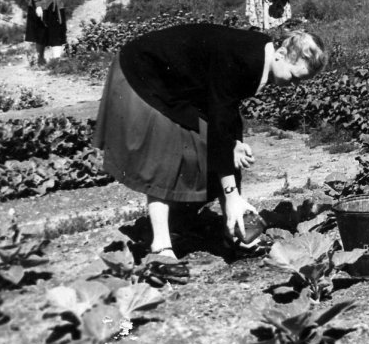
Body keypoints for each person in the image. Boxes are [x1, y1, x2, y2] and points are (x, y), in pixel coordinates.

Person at [92, 23, 328, 276]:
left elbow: (225, 112)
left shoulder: (262, 56)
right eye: (293, 77)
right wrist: (231, 189)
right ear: (281, 55)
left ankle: (235, 231)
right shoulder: (245, 59)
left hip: (178, 82)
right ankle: (160, 249)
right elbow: (219, 122)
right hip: (144, 72)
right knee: (165, 152)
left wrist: (233, 144)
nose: (292, 86)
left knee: (226, 148)